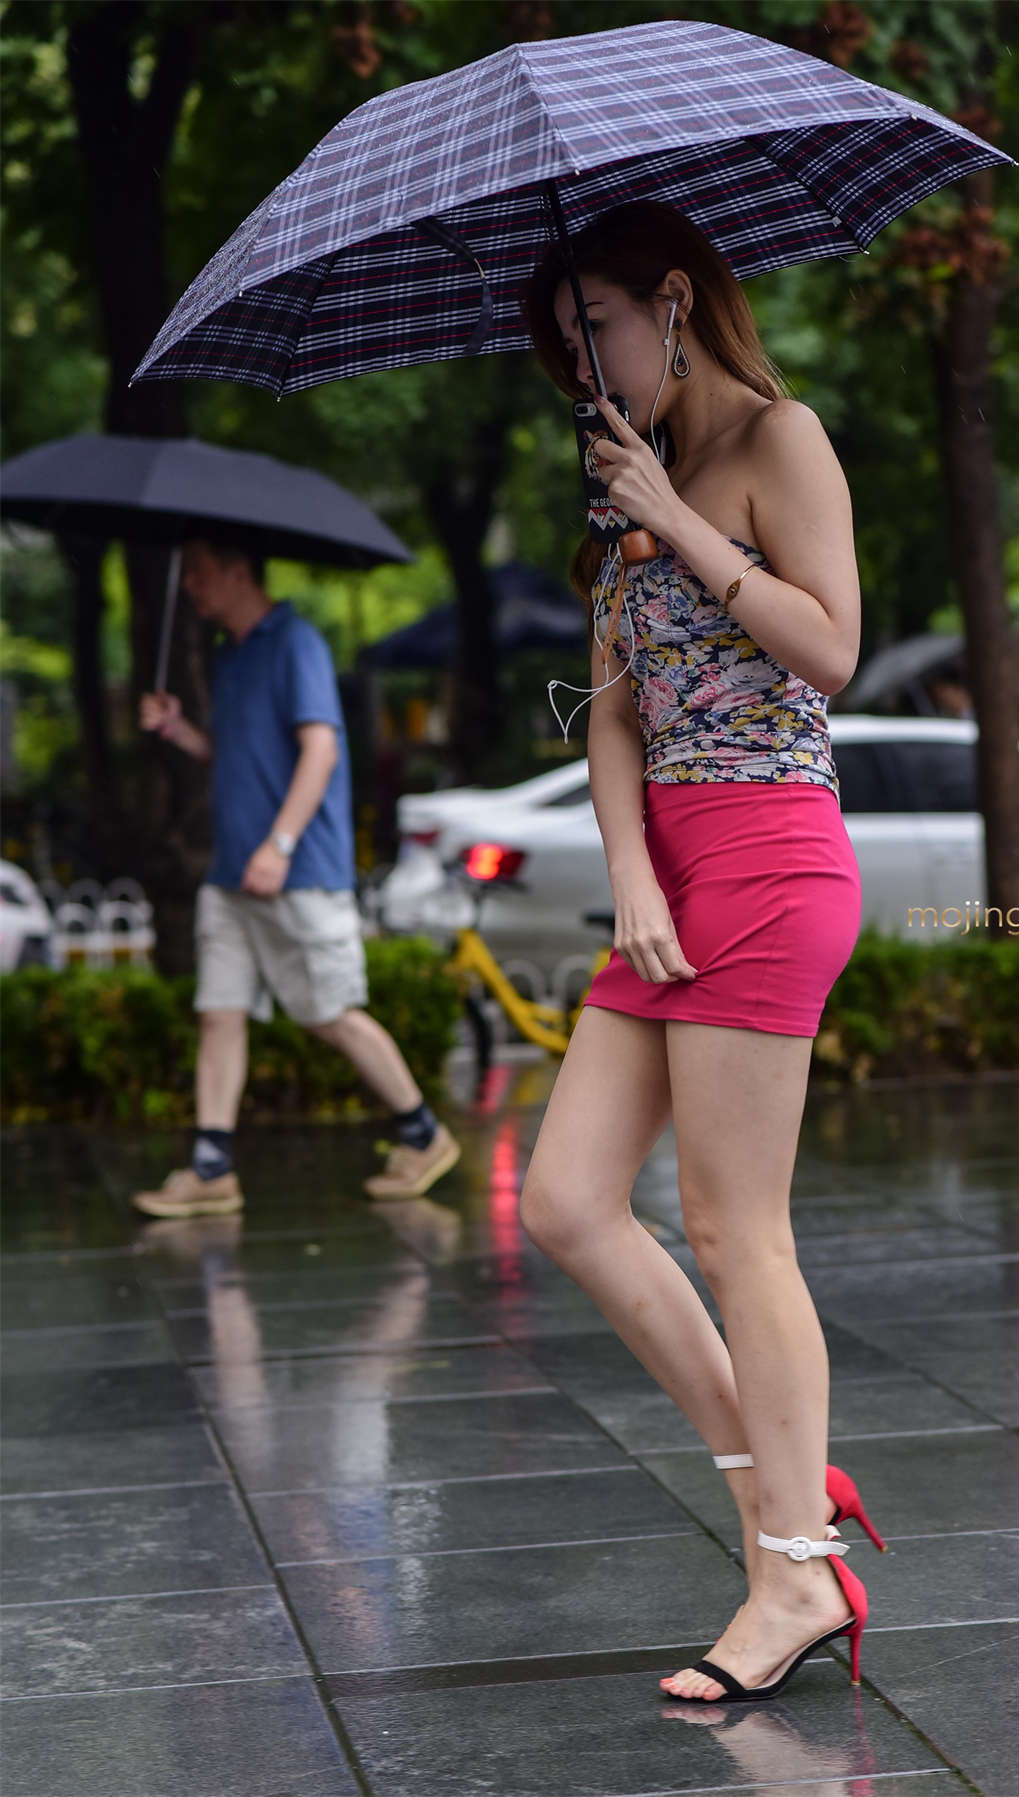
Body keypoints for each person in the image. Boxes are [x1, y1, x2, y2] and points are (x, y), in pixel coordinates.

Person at [518, 202, 875, 1705]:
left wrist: (674, 515)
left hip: (772, 850)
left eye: (591, 332)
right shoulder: (620, 478)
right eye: (558, 351)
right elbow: (609, 706)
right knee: (566, 1202)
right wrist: (624, 877)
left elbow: (833, 648)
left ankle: (790, 1564)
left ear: (671, 302)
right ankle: (788, 1495)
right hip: (665, 867)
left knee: (737, 1232)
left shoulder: (777, 442)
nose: (578, 372)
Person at [131, 536, 459, 1218]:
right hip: (232, 873)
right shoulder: (230, 654)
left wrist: (279, 844)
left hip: (297, 871)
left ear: (237, 567)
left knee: (330, 1013)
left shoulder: (296, 642)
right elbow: (239, 754)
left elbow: (321, 749)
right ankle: (211, 1166)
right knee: (219, 1013)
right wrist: (180, 732)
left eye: (198, 571)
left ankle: (422, 1134)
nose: (190, 586)